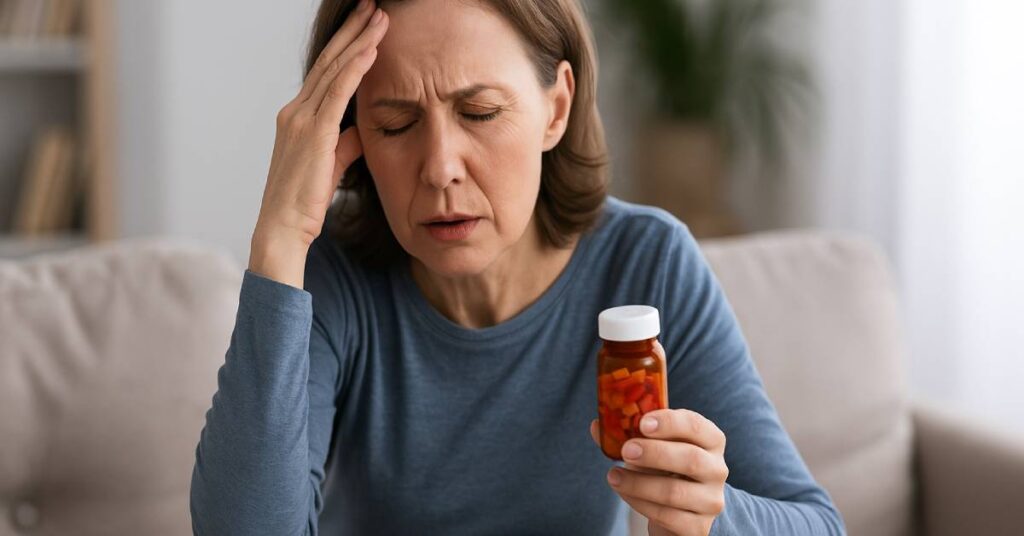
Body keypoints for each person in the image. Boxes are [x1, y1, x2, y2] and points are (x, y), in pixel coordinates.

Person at [189, 0, 846, 534]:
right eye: (395, 125)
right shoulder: (332, 275)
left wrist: (711, 515)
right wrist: (280, 236)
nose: (441, 166)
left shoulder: (648, 263)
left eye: (479, 113)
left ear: (555, 108)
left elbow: (817, 525)